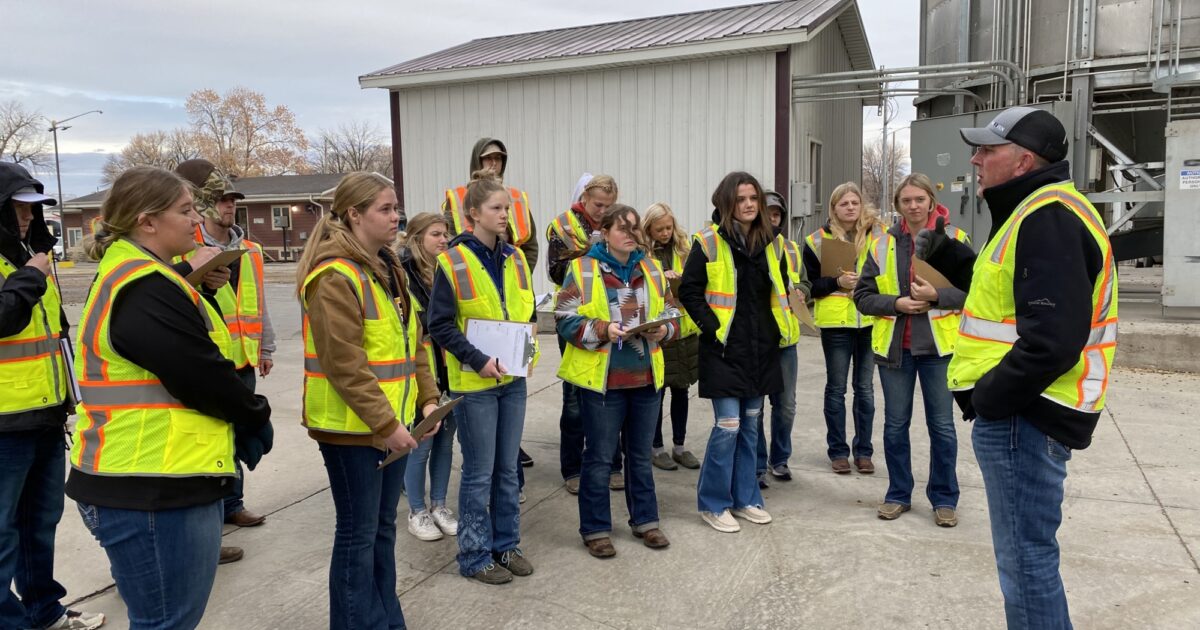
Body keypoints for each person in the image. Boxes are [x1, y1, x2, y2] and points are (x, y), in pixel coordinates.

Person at [929, 106, 1117, 628]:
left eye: (988, 150)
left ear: (1022, 160)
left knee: (1026, 562)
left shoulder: (1047, 217)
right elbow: (1007, 296)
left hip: (1024, 419)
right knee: (1027, 558)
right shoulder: (1034, 211)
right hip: (1024, 416)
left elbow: (1052, 341)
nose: (975, 159)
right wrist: (947, 254)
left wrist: (989, 398)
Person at [67, 167, 272, 630]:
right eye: (184, 210)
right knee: (166, 622)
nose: (194, 220)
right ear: (147, 222)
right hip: (149, 489)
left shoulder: (144, 276)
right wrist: (254, 414)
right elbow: (199, 373)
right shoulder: (144, 286)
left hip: (144, 482)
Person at [297, 172, 440, 629]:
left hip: (391, 428)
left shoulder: (388, 268)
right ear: (354, 215)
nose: (396, 216)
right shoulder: (334, 275)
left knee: (381, 530)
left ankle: (384, 619)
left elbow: (412, 342)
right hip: (351, 432)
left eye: (397, 207)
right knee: (358, 536)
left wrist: (428, 400)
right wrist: (386, 424)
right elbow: (345, 365)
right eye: (385, 208)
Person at [0, 163, 105, 630]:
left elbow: (53, 335)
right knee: (3, 533)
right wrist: (28, 276)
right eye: (17, 206)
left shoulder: (30, 256)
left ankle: (45, 610)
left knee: (39, 524)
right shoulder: (27, 267)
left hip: (42, 414)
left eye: (33, 208)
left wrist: (68, 397)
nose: (27, 216)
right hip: (4, 423)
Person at [428, 170, 539, 585]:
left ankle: (506, 545)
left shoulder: (516, 259)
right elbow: (439, 324)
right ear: (472, 213)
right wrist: (476, 359)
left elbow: (525, 313)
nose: (505, 215)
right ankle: (475, 556)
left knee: (508, 469)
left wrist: (526, 353)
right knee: (479, 472)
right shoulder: (452, 261)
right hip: (475, 384)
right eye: (497, 208)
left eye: (507, 208)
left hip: (512, 380)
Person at [555, 204, 677, 558]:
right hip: (603, 382)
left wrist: (663, 328)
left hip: (645, 379)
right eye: (621, 227)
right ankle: (595, 529)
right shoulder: (582, 269)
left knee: (639, 456)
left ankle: (646, 522)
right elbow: (563, 317)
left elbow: (673, 313)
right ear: (604, 232)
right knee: (600, 457)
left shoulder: (652, 268)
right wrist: (602, 329)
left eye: (634, 227)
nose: (629, 233)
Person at [678, 171, 794, 533]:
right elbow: (690, 291)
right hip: (724, 349)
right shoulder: (708, 241)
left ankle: (746, 498)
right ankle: (713, 503)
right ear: (727, 203)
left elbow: (781, 288)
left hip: (762, 348)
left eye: (753, 199)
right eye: (741, 199)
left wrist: (778, 332)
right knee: (728, 426)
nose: (748, 205)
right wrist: (713, 328)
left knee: (750, 427)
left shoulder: (773, 242)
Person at [853, 173, 969, 527]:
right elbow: (862, 297)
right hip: (895, 352)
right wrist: (896, 303)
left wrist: (937, 297)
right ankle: (898, 494)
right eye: (907, 200)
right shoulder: (880, 246)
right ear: (898, 206)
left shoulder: (956, 239)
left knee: (943, 428)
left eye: (920, 199)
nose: (914, 206)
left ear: (931, 202)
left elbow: (976, 293)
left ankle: (944, 498)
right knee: (894, 426)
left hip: (940, 349)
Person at [174, 159, 275, 563]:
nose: (230, 205)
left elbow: (258, 304)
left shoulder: (248, 249)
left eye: (234, 199)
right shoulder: (187, 248)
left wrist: (265, 347)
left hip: (242, 359)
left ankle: (233, 502)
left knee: (239, 438)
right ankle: (211, 519)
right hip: (208, 362)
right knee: (212, 442)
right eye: (222, 199)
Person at [545, 175, 625, 493]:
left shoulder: (617, 226)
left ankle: (612, 463)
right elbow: (555, 271)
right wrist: (590, 255)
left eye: (608, 206)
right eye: (597, 205)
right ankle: (573, 468)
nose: (602, 212)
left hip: (612, 317)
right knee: (576, 394)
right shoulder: (563, 226)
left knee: (613, 390)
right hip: (575, 316)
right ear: (585, 198)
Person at [803, 183, 884, 475]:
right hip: (836, 323)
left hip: (870, 321)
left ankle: (864, 452)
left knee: (865, 390)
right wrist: (838, 283)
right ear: (833, 209)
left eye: (854, 202)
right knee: (836, 389)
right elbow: (811, 285)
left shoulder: (880, 235)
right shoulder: (817, 240)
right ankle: (838, 452)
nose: (850, 207)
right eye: (843, 203)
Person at [397, 212, 459, 542]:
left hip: (450, 370)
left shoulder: (446, 271)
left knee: (446, 442)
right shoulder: (403, 276)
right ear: (417, 238)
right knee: (421, 443)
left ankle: (439, 505)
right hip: (422, 375)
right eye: (436, 234)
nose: (444, 239)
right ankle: (417, 510)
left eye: (446, 233)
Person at [755, 191, 811, 488]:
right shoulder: (747, 247)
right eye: (768, 213)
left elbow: (802, 279)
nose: (772, 218)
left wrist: (803, 289)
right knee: (757, 406)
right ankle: (757, 464)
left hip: (786, 339)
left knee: (786, 405)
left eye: (777, 214)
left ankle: (780, 459)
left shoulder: (791, 249)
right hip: (757, 340)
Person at [641, 202, 700, 471]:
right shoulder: (643, 253)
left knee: (681, 389)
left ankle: (680, 446)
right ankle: (656, 447)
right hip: (659, 329)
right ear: (649, 229)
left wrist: (682, 279)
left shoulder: (685, 249)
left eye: (669, 227)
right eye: (659, 229)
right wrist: (662, 279)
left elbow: (699, 281)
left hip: (684, 328)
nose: (665, 233)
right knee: (658, 391)